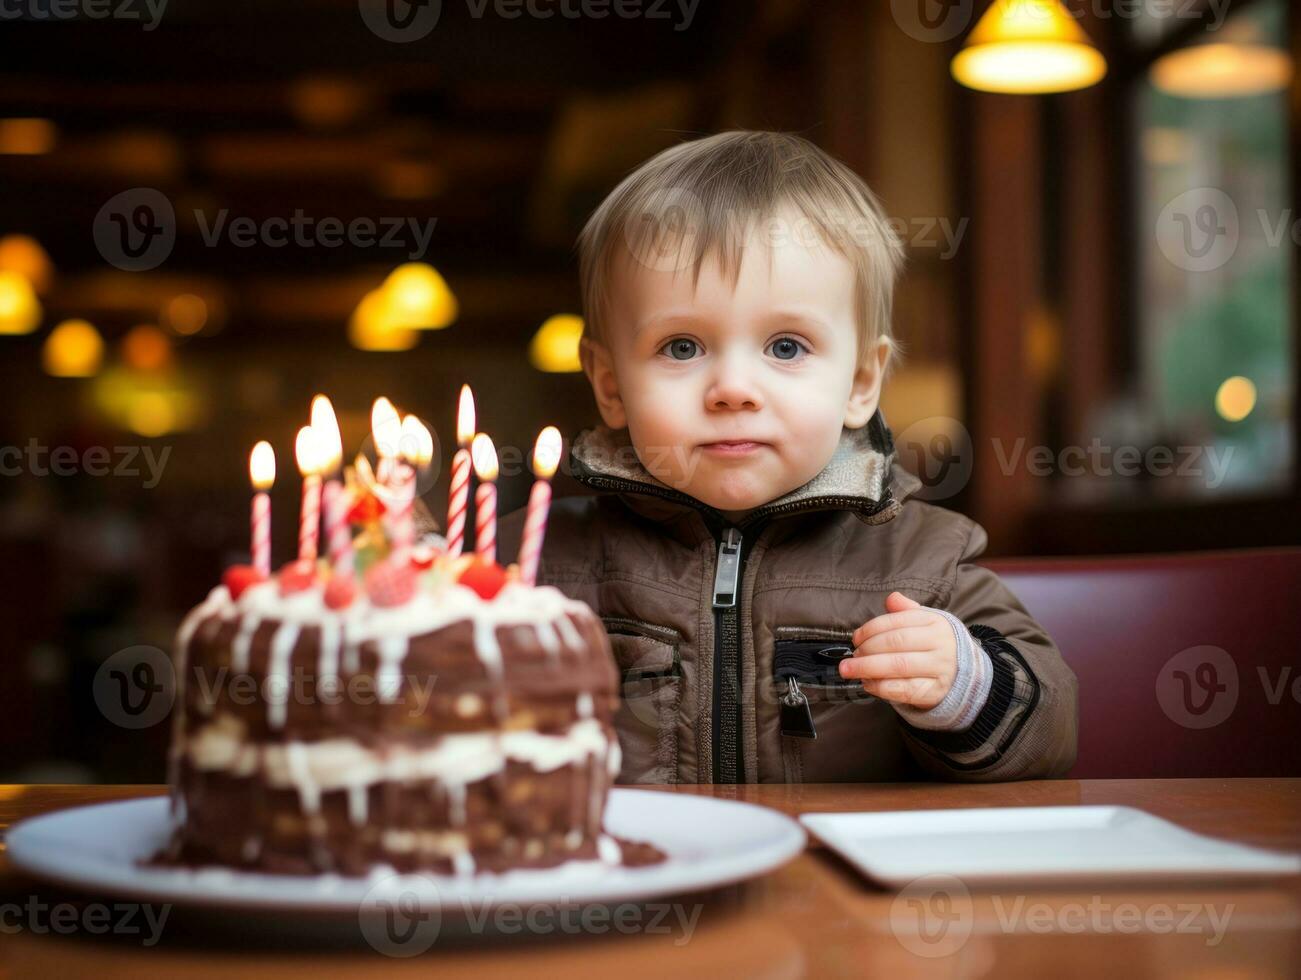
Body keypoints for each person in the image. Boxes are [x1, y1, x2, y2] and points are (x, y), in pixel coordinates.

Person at [499, 131, 1077, 783]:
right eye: (682, 347)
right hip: (626, 876)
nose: (734, 390)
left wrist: (963, 685)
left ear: (861, 382)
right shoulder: (531, 562)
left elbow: (1053, 729)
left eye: (785, 347)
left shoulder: (920, 565)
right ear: (609, 384)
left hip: (839, 877)